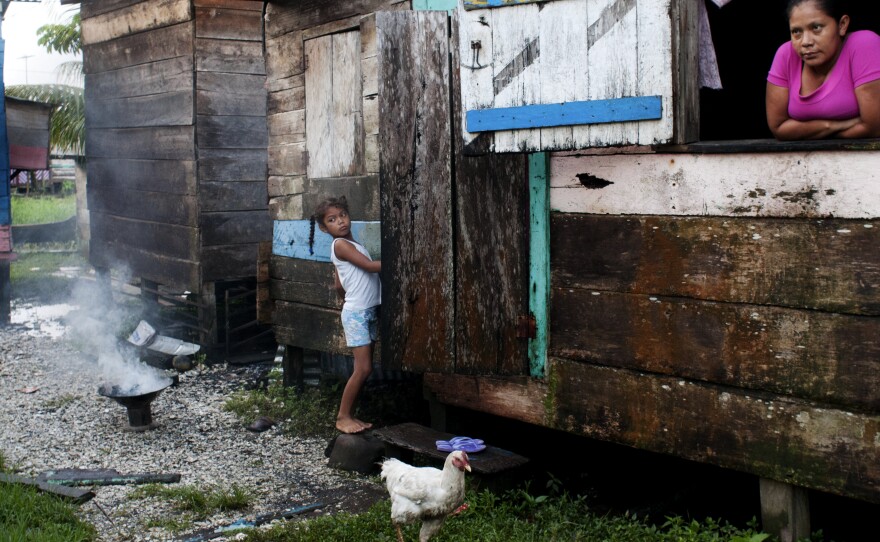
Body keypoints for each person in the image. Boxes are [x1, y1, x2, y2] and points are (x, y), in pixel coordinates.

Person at [309, 196, 381, 434]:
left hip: (364, 310)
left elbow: (339, 285)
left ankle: (350, 415)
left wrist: (350, 298)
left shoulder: (352, 245)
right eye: (332, 219)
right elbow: (370, 268)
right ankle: (343, 416)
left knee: (366, 368)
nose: (340, 221)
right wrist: (400, 260)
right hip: (358, 313)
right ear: (323, 227)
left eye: (342, 215)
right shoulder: (340, 245)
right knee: (362, 368)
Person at [766, 0, 880, 140]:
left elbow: (875, 127)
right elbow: (778, 128)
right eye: (796, 31)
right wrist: (831, 126)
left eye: (816, 27)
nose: (806, 42)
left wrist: (808, 132)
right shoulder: (786, 55)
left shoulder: (863, 45)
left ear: (842, 25)